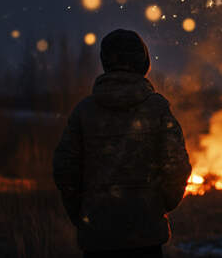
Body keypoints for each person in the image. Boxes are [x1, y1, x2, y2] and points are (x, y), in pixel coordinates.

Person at [53, 29, 192, 258]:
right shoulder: (157, 108)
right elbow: (176, 166)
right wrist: (161, 205)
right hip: (146, 236)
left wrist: (82, 213)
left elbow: (64, 169)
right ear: (143, 62)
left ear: (105, 61)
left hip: (97, 237)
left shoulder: (84, 111)